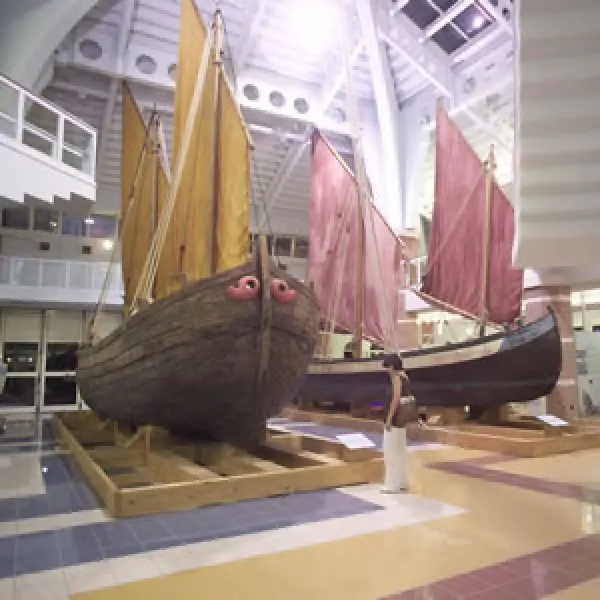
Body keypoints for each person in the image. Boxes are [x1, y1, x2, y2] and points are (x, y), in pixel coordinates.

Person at [381, 353, 418, 493]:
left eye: (387, 366)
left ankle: (392, 484)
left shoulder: (396, 377)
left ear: (392, 365)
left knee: (390, 451)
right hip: (403, 419)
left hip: (395, 418)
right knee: (400, 450)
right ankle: (402, 481)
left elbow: (395, 398)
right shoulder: (405, 377)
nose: (386, 370)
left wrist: (389, 418)